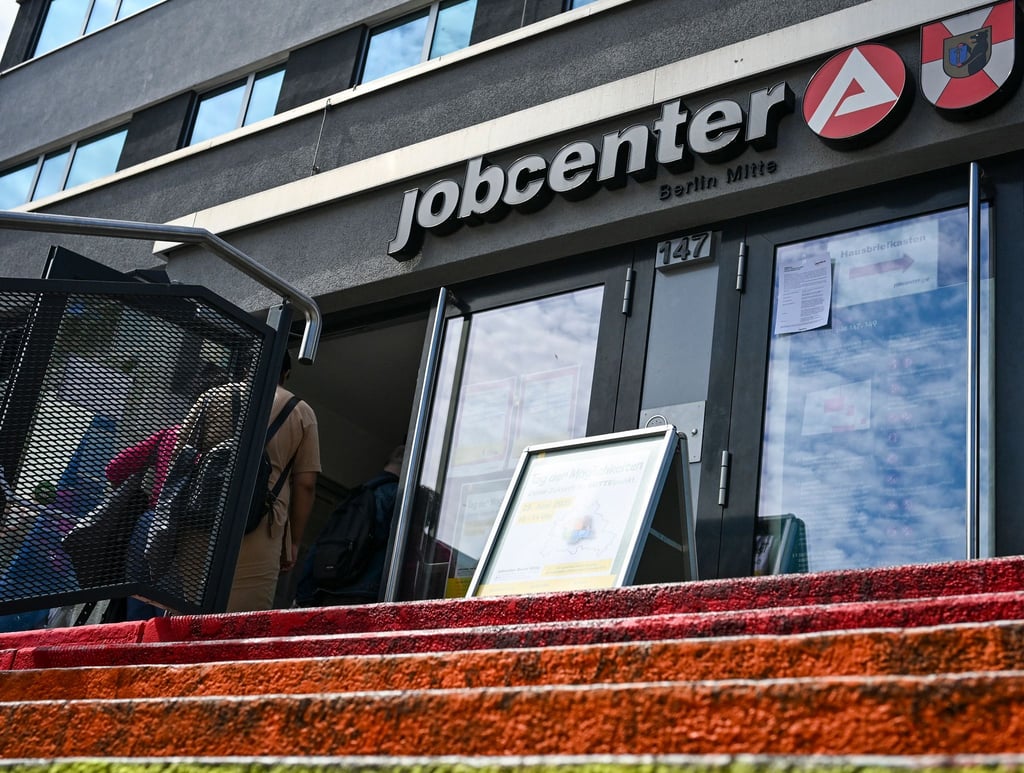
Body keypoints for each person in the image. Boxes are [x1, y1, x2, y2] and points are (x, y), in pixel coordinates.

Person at [177, 350, 320, 612]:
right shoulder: (302, 412)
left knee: (185, 610)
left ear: (245, 370)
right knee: (242, 621)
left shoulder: (212, 397)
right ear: (285, 375)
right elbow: (306, 484)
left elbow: (179, 456)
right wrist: (294, 542)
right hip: (262, 526)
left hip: (201, 517)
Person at [295, 444, 404, 607]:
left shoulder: (356, 496)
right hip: (365, 596)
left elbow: (320, 545)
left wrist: (302, 596)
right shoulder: (397, 497)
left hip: (328, 592)